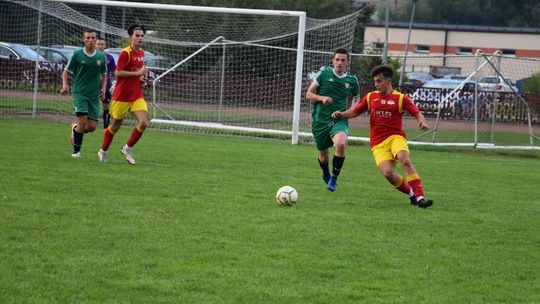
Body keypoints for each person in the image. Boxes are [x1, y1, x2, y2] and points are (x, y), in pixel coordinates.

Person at [332, 65, 433, 208]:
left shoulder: (400, 98)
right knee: (387, 173)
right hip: (378, 143)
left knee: (405, 160)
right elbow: (355, 111)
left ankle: (420, 197)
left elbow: (417, 112)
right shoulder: (370, 97)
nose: (376, 84)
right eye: (375, 81)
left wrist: (422, 121)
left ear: (388, 80)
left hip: (395, 137)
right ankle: (412, 194)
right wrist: (341, 114)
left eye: (379, 81)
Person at [306, 48, 360, 192]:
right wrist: (322, 98)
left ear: (348, 63)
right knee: (324, 155)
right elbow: (309, 94)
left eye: (343, 60)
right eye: (337, 59)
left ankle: (334, 178)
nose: (339, 63)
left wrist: (347, 112)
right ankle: (325, 173)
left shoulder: (352, 80)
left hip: (339, 119)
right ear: (333, 61)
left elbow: (356, 99)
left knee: (341, 144)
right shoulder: (324, 74)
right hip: (320, 121)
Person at [98, 24, 149, 165]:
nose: (140, 38)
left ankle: (127, 148)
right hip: (121, 97)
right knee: (114, 127)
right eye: (137, 35)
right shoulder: (125, 53)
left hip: (136, 95)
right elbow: (118, 72)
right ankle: (103, 151)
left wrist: (140, 79)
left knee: (143, 122)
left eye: (142, 36)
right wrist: (138, 73)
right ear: (130, 37)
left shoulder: (141, 53)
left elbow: (134, 74)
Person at [61, 28, 107, 158]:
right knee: (83, 121)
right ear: (83, 39)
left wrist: (103, 88)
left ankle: (74, 129)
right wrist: (65, 84)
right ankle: (76, 152)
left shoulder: (101, 56)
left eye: (93, 38)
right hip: (80, 93)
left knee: (92, 127)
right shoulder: (76, 55)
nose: (90, 40)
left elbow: (104, 75)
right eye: (88, 38)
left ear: (96, 39)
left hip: (94, 95)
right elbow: (66, 71)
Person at [96, 36, 116, 129]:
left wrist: (115, 82)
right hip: (93, 85)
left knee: (106, 107)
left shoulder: (109, 58)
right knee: (91, 105)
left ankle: (106, 128)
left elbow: (114, 72)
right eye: (98, 44)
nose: (100, 46)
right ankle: (88, 123)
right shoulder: (91, 56)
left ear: (105, 46)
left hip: (106, 85)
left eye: (102, 44)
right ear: (95, 45)